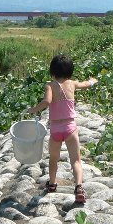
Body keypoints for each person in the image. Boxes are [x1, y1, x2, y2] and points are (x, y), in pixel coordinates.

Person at [26, 54, 97, 204]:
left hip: (56, 129)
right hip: (70, 128)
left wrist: (33, 109)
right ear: (70, 71)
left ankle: (52, 184)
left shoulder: (50, 85)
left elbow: (47, 101)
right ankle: (79, 187)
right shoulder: (72, 83)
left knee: (53, 159)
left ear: (52, 71)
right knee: (76, 160)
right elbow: (85, 84)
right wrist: (92, 81)